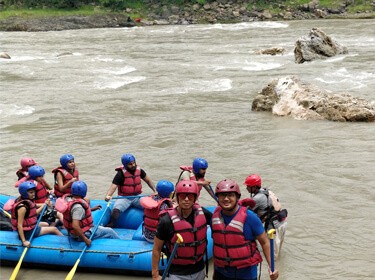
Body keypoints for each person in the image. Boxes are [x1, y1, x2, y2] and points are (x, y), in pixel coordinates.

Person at [212, 178, 279, 280]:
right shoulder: (214, 216)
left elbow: (264, 242)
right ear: (217, 198)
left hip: (246, 273)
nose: (226, 199)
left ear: (237, 197)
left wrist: (271, 267)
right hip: (222, 272)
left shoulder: (250, 217)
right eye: (222, 195)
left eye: (230, 195)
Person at [151, 180, 212, 280]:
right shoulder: (166, 221)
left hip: (199, 270)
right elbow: (157, 249)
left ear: (195, 198)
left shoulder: (203, 213)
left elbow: (220, 224)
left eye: (191, 196)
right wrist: (155, 274)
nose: (186, 199)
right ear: (177, 197)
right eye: (183, 196)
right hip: (177, 273)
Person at [58, 181, 120, 246]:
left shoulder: (69, 200)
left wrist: (92, 209)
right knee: (110, 231)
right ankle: (122, 247)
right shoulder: (78, 207)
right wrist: (85, 240)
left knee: (99, 228)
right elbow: (75, 226)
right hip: (83, 234)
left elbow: (74, 213)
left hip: (73, 233)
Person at [105, 153, 156, 228]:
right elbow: (113, 186)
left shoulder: (140, 170)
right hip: (124, 198)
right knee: (116, 210)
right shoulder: (120, 174)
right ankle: (111, 224)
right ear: (125, 165)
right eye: (130, 164)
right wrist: (108, 195)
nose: (133, 165)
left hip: (137, 197)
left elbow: (148, 180)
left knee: (151, 206)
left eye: (133, 163)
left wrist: (155, 191)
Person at [243, 174, 288, 260]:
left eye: (248, 186)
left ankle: (272, 271)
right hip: (281, 223)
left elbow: (244, 212)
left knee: (272, 257)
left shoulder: (257, 199)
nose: (246, 188)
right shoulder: (266, 191)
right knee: (277, 253)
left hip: (274, 228)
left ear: (254, 187)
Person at [9, 181, 63, 247]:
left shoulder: (24, 200)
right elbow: (19, 225)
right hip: (28, 233)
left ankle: (50, 233)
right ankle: (66, 243)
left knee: (45, 224)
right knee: (54, 229)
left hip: (31, 226)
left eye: (34, 192)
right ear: (25, 193)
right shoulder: (22, 208)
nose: (33, 194)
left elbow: (35, 205)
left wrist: (45, 204)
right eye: (31, 192)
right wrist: (24, 241)